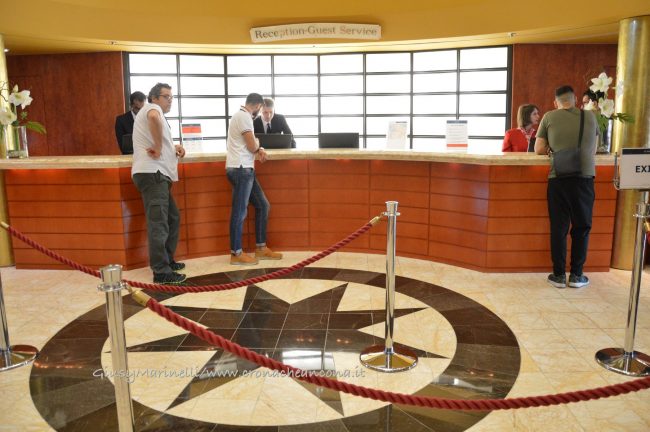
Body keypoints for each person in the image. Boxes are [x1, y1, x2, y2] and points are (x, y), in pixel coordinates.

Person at [535, 85, 597, 289]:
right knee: (582, 227)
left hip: (558, 177)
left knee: (559, 228)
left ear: (556, 102)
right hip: (584, 178)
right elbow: (593, 149)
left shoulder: (549, 117)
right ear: (576, 99)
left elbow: (538, 148)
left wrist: (553, 149)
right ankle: (577, 276)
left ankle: (559, 275)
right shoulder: (590, 117)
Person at [131, 83, 187, 284]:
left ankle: (167, 260)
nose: (170, 100)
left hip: (157, 175)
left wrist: (173, 147)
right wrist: (157, 146)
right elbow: (154, 119)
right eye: (166, 96)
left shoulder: (153, 112)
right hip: (153, 175)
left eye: (172, 97)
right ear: (154, 97)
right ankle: (161, 272)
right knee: (159, 223)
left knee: (172, 217)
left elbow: (157, 136)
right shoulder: (153, 109)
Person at [226, 93, 283, 265]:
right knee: (239, 212)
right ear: (258, 106)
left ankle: (260, 248)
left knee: (263, 205)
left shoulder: (240, 116)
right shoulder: (244, 117)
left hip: (244, 169)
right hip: (241, 169)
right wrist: (259, 147)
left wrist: (259, 147)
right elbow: (251, 145)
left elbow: (251, 144)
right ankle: (236, 253)